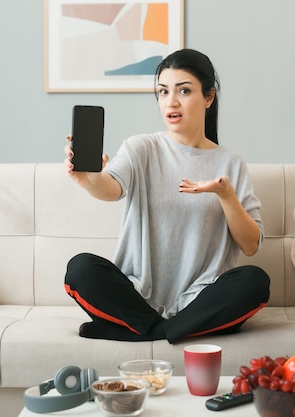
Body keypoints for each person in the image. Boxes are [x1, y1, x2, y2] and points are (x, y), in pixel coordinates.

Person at [63, 49, 270, 344]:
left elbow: (250, 245)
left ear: (208, 97)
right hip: (136, 296)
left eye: (184, 90)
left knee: (254, 282)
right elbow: (111, 188)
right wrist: (89, 179)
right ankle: (171, 330)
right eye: (163, 92)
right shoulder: (140, 148)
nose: (170, 102)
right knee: (80, 269)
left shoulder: (231, 163)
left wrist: (226, 195)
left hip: (200, 298)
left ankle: (139, 332)